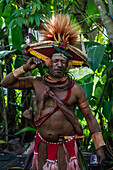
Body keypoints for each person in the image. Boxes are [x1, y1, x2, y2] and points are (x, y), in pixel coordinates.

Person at [0, 14, 105, 170]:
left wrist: (99, 146)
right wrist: (25, 68)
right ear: (48, 63)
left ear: (67, 65)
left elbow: (90, 118)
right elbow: (5, 83)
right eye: (55, 61)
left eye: (63, 62)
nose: (59, 65)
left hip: (66, 147)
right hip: (42, 146)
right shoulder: (36, 82)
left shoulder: (75, 89)